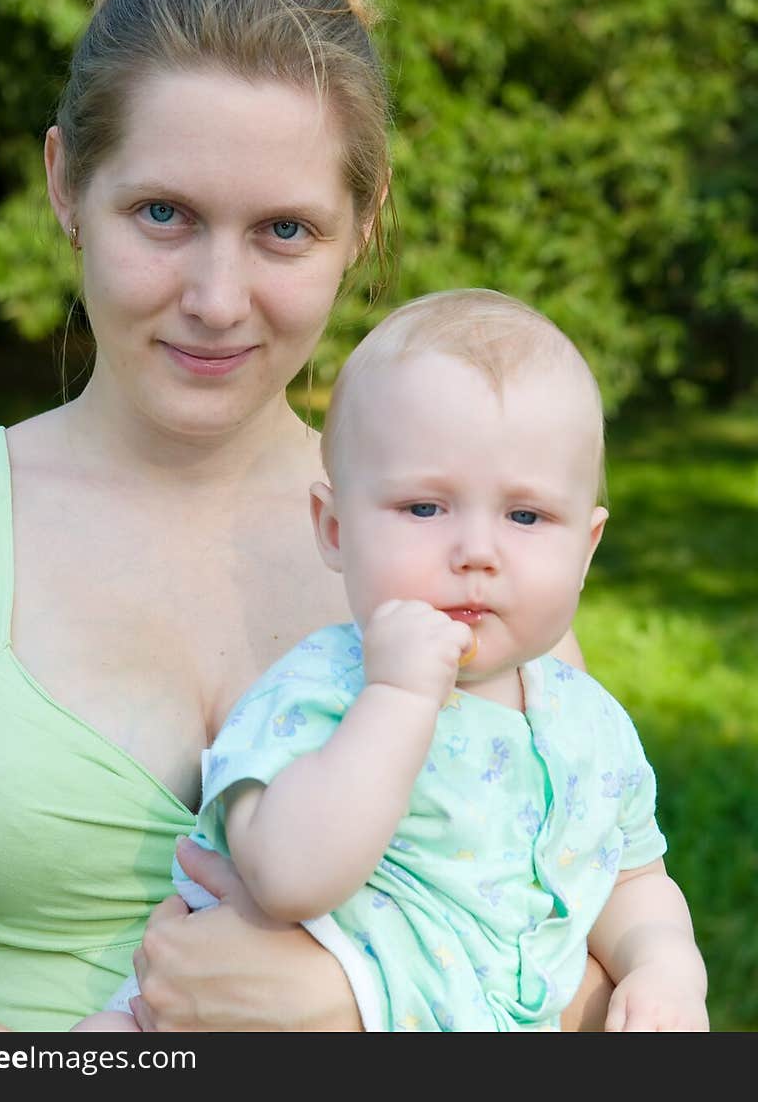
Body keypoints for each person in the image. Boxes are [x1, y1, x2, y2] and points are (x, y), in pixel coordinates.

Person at [0, 0, 603, 1033]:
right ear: (68, 184)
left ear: (359, 231)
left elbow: (592, 952)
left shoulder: (461, 540)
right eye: (162, 214)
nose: (216, 301)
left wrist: (354, 1007)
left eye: (284, 230)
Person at [77, 289, 709, 1033]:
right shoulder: (321, 693)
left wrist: (664, 963)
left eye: (526, 516)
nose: (477, 551)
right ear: (336, 529)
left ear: (586, 550)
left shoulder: (589, 723)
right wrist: (399, 699)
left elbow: (629, 876)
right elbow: (286, 877)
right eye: (424, 509)